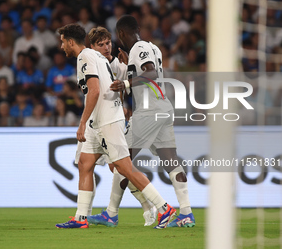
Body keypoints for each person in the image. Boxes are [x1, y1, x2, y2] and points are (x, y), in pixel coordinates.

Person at [55, 24, 176, 229]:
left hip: (107, 120)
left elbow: (93, 91)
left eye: (62, 42)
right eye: (101, 44)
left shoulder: (86, 57)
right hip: (99, 120)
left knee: (123, 167)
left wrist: (82, 123)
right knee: (85, 164)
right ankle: (81, 217)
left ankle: (164, 208)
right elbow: (109, 85)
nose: (61, 47)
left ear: (70, 42)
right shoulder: (100, 58)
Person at [89, 15, 195, 228]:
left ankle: (111, 214)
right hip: (163, 109)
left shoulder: (139, 47)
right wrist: (130, 67)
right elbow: (147, 73)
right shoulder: (153, 48)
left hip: (149, 112)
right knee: (171, 162)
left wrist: (127, 83)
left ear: (120, 34)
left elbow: (151, 73)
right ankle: (186, 214)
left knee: (121, 161)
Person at [81, 26, 157, 226]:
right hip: (96, 123)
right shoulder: (90, 62)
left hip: (109, 122)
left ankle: (149, 207)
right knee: (91, 166)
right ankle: (88, 215)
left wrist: (125, 106)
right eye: (101, 44)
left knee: (117, 167)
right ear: (91, 47)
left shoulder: (116, 63)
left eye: (108, 43)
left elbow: (132, 83)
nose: (107, 48)